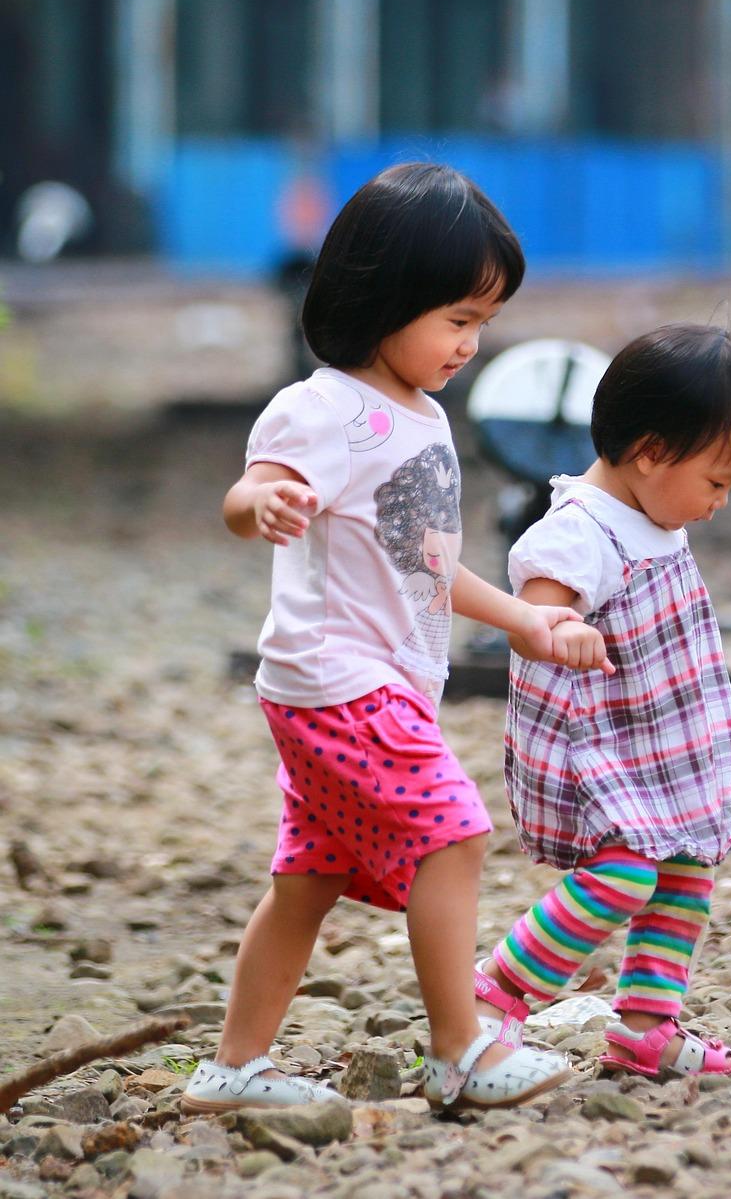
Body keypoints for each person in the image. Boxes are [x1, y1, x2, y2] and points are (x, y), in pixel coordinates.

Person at [181, 163, 589, 1115]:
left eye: (482, 321)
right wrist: (264, 502)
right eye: (456, 318)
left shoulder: (423, 417)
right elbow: (247, 496)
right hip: (338, 681)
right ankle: (461, 1049)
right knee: (454, 833)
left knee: (308, 880)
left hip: (371, 686)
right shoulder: (322, 408)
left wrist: (525, 617)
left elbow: (423, 562)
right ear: (382, 297)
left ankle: (231, 1070)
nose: (471, 343)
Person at [473, 324, 731, 1078]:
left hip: (668, 739)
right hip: (604, 743)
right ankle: (496, 994)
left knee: (686, 870)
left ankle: (648, 1024)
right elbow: (532, 624)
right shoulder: (578, 532)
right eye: (717, 481)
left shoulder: (653, 515)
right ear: (650, 450)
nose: (719, 503)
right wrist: (561, 629)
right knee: (622, 876)